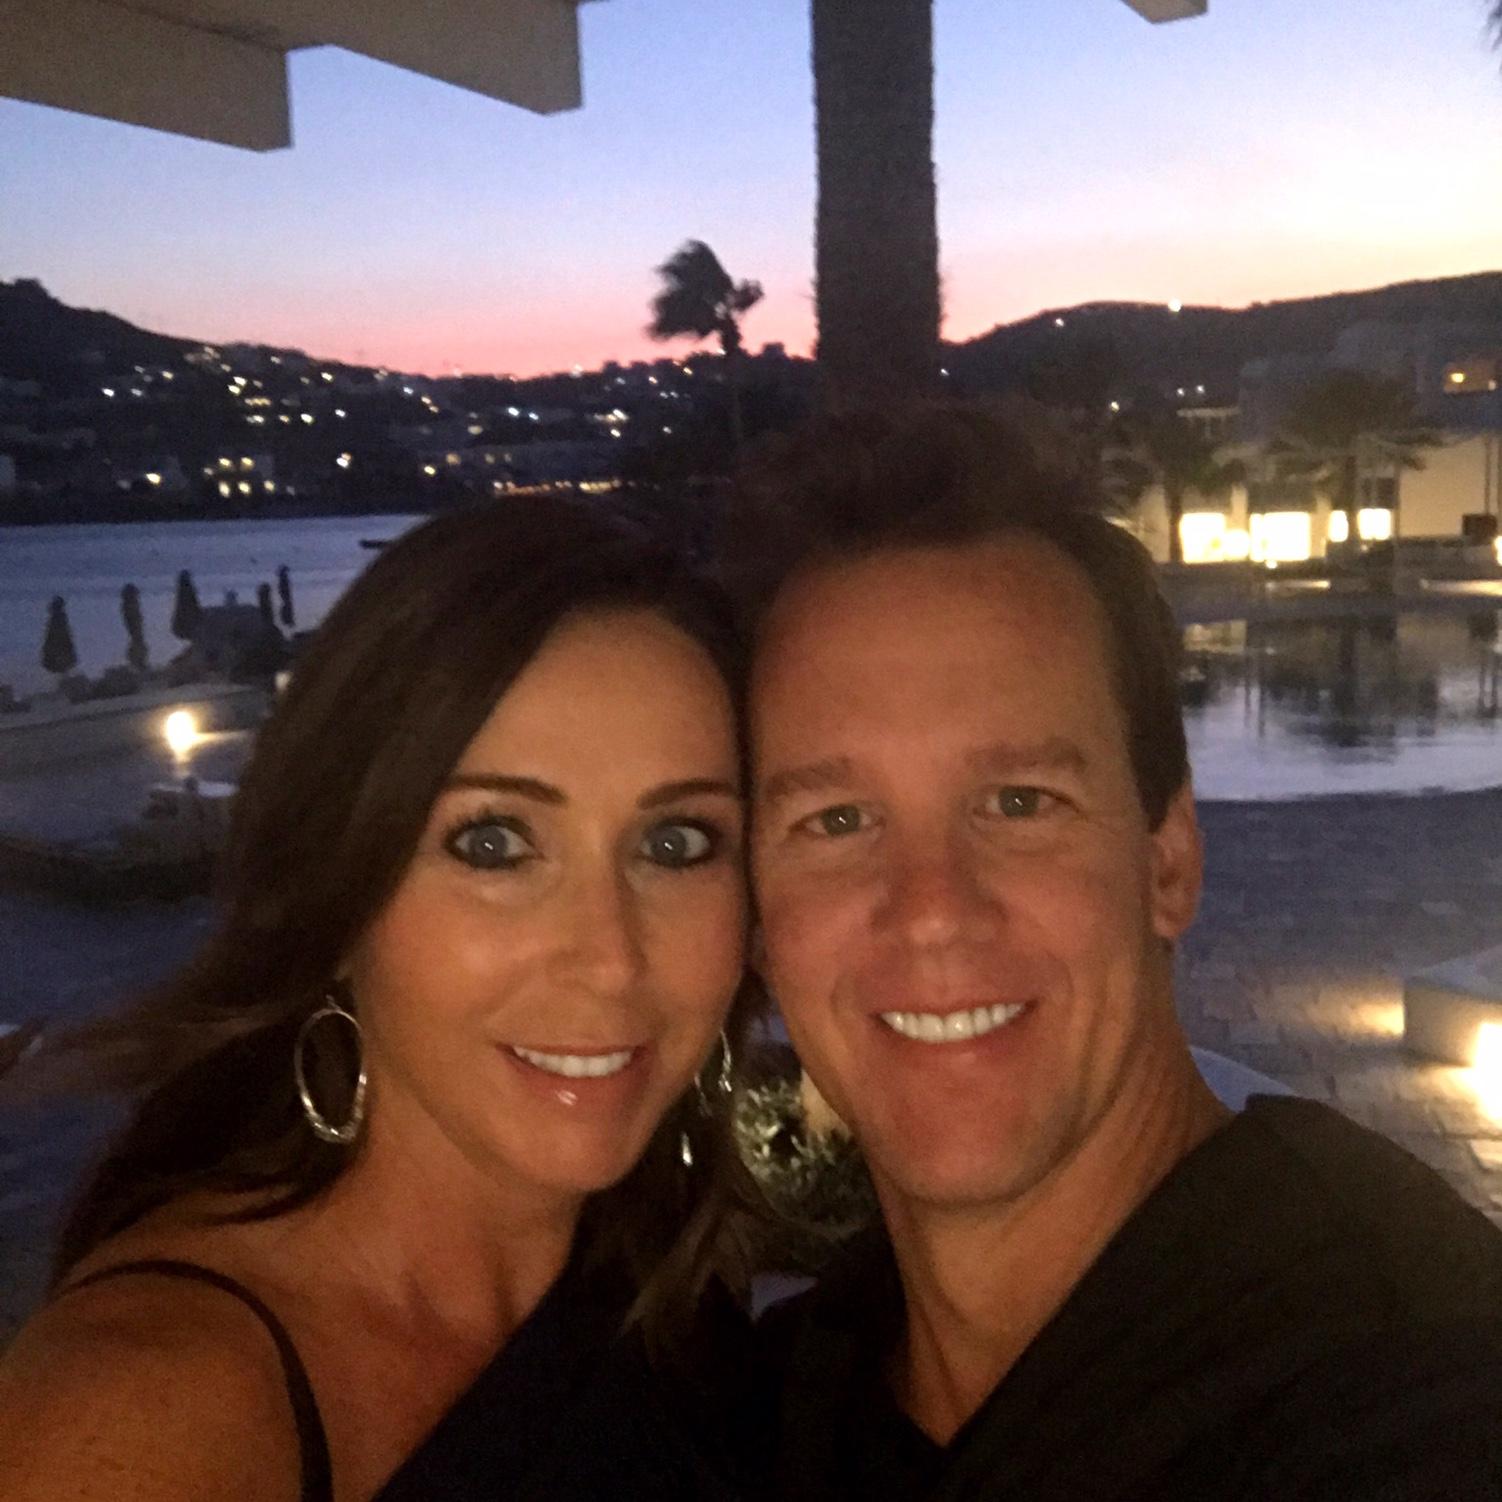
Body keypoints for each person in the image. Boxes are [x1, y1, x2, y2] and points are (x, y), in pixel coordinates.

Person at [732, 405, 1502, 1500]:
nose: (932, 909)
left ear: (1167, 862)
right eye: (836, 820)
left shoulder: (1405, 1382)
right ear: (762, 927)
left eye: (1018, 800)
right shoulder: (775, 1398)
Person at [0, 502, 761, 1501]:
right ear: (338, 892)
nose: (612, 959)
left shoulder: (665, 1276)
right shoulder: (144, 1415)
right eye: (492, 843)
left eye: (676, 843)